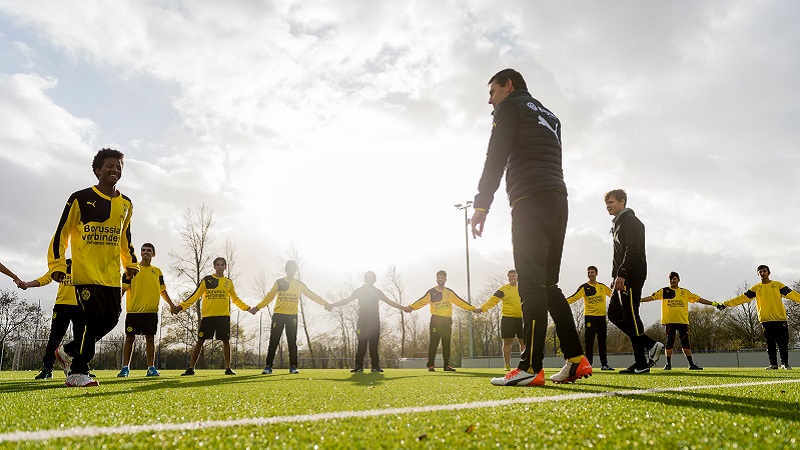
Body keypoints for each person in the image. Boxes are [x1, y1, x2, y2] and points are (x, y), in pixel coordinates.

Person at [470, 68, 589, 386]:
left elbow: (497, 153)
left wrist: (481, 204)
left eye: (492, 92)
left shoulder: (510, 107)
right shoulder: (551, 115)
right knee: (549, 285)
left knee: (531, 284)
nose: (490, 101)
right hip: (558, 198)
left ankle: (530, 367)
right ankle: (576, 360)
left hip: (530, 198)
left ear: (509, 86)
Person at [49, 148, 139, 387]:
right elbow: (62, 233)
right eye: (109, 166)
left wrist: (130, 264)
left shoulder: (126, 204)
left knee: (111, 319)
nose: (115, 170)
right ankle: (78, 371)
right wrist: (57, 265)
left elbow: (125, 239)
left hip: (111, 275)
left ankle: (68, 350)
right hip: (86, 273)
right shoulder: (79, 198)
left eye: (119, 166)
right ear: (98, 170)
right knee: (89, 321)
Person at [604, 189, 663, 374]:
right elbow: (617, 254)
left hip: (631, 275)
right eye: (606, 203)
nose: (608, 206)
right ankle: (649, 345)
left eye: (611, 202)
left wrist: (622, 273)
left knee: (631, 316)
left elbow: (633, 249)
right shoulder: (617, 224)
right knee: (614, 314)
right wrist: (615, 276)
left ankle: (642, 362)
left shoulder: (632, 222)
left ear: (622, 202)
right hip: (621, 276)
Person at [172, 257, 250, 376]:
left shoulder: (228, 282)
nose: (219, 267)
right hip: (208, 317)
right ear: (214, 266)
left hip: (223, 317)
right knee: (200, 341)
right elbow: (195, 296)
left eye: (222, 265)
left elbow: (235, 299)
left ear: (225, 267)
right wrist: (180, 307)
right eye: (217, 265)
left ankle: (228, 368)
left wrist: (248, 308)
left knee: (226, 341)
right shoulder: (207, 280)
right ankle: (191, 368)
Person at [249, 260, 330, 375]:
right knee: (274, 341)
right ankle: (268, 366)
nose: (291, 270)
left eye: (293, 268)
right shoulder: (279, 282)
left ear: (295, 270)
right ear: (286, 269)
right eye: (289, 268)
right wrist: (257, 307)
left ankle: (293, 366)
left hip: (292, 316)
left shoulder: (299, 284)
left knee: (292, 341)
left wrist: (325, 303)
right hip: (278, 315)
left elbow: (311, 294)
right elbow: (269, 296)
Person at [719, 265, 800, 370]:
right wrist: (726, 304)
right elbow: (742, 298)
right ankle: (773, 364)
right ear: (758, 274)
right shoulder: (757, 288)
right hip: (765, 320)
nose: (762, 273)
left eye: (764, 271)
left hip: (780, 319)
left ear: (769, 273)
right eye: (760, 272)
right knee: (770, 343)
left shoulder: (777, 285)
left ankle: (785, 363)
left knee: (782, 343)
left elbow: (793, 295)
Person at [326, 271, 409, 373]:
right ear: (365, 279)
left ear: (375, 280)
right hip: (362, 321)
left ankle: (375, 366)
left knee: (374, 345)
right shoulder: (359, 291)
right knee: (362, 344)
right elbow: (346, 300)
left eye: (372, 277)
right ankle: (358, 366)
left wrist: (403, 307)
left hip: (374, 321)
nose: (370, 279)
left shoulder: (377, 292)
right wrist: (332, 305)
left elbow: (389, 301)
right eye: (367, 277)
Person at [118, 243, 176, 377]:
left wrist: (172, 305)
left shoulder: (157, 271)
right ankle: (125, 368)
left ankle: (151, 368)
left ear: (153, 254)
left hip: (151, 311)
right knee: (129, 338)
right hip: (134, 311)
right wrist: (115, 303)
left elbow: (162, 290)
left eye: (149, 250)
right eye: (143, 250)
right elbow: (123, 288)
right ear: (140, 253)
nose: (145, 252)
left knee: (150, 338)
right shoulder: (131, 269)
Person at [642, 272, 718, 370]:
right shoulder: (664, 291)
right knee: (670, 342)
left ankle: (691, 364)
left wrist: (713, 304)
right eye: (670, 279)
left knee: (686, 342)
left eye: (674, 279)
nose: (672, 281)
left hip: (682, 321)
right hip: (670, 321)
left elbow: (699, 299)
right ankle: (668, 364)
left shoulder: (685, 292)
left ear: (678, 280)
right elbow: (652, 297)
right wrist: (640, 300)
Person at [22, 259, 82, 380]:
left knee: (81, 339)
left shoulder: (85, 265)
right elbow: (46, 278)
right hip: (62, 305)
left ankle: (80, 369)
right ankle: (47, 369)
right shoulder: (63, 264)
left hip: (81, 306)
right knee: (54, 338)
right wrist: (28, 284)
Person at [407, 270, 476, 372]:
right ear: (436, 279)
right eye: (438, 277)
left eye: (442, 278)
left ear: (445, 279)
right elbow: (421, 301)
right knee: (433, 343)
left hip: (447, 321)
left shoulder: (449, 292)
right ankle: (431, 365)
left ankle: (446, 365)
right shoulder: (431, 292)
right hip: (436, 320)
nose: (440, 279)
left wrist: (473, 308)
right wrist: (411, 307)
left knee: (446, 344)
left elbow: (460, 302)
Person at [475, 269, 525, 371]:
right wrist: (482, 308)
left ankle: (524, 364)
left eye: (513, 276)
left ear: (517, 277)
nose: (511, 278)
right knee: (507, 342)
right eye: (509, 276)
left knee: (523, 342)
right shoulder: (503, 289)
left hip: (522, 318)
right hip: (508, 319)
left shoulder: (524, 288)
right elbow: (493, 300)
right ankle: (507, 365)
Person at [566, 266, 614, 370]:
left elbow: (613, 295)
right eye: (588, 272)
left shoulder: (602, 287)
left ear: (596, 273)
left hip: (601, 318)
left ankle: (604, 364)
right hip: (590, 317)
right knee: (589, 342)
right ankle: (589, 364)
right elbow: (574, 297)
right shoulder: (584, 287)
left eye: (592, 272)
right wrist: (561, 303)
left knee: (602, 341)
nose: (590, 274)